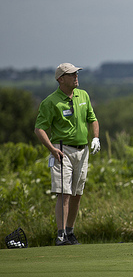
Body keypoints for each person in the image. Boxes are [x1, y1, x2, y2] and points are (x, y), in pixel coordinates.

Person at [34, 63, 100, 246]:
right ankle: (61, 234)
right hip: (62, 150)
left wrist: (95, 138)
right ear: (60, 79)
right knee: (64, 194)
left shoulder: (83, 95)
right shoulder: (50, 101)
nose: (76, 77)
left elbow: (92, 119)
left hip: (82, 150)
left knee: (77, 194)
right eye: (71, 74)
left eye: (76, 73)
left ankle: (70, 232)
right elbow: (39, 129)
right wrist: (52, 149)